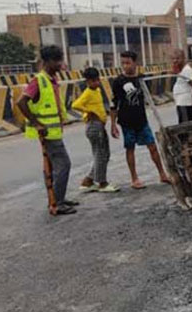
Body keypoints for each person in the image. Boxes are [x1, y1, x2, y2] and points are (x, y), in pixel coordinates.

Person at [17, 45, 77, 215]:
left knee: (52, 166)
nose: (61, 64)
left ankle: (56, 199)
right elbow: (21, 102)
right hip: (48, 134)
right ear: (48, 61)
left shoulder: (51, 79)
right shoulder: (39, 80)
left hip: (54, 131)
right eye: (58, 60)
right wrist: (36, 124)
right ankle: (57, 202)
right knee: (63, 164)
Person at [110, 50, 170, 189]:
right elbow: (114, 103)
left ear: (135, 63)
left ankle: (162, 174)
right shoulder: (118, 81)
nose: (125, 66)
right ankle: (134, 178)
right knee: (130, 149)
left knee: (153, 147)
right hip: (126, 121)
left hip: (142, 120)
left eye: (128, 63)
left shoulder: (142, 79)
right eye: (123, 63)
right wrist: (113, 124)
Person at [72, 67, 119, 193]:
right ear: (87, 81)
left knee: (104, 153)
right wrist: (89, 112)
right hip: (94, 125)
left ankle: (89, 180)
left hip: (99, 125)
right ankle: (102, 183)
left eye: (97, 80)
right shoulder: (87, 93)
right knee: (100, 154)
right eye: (93, 81)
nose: (96, 83)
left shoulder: (97, 91)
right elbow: (75, 105)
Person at [171, 49, 192, 124]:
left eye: (178, 58)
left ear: (183, 58)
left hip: (185, 104)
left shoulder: (187, 70)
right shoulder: (181, 71)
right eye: (173, 58)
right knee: (183, 125)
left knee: (186, 127)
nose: (175, 61)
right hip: (181, 103)